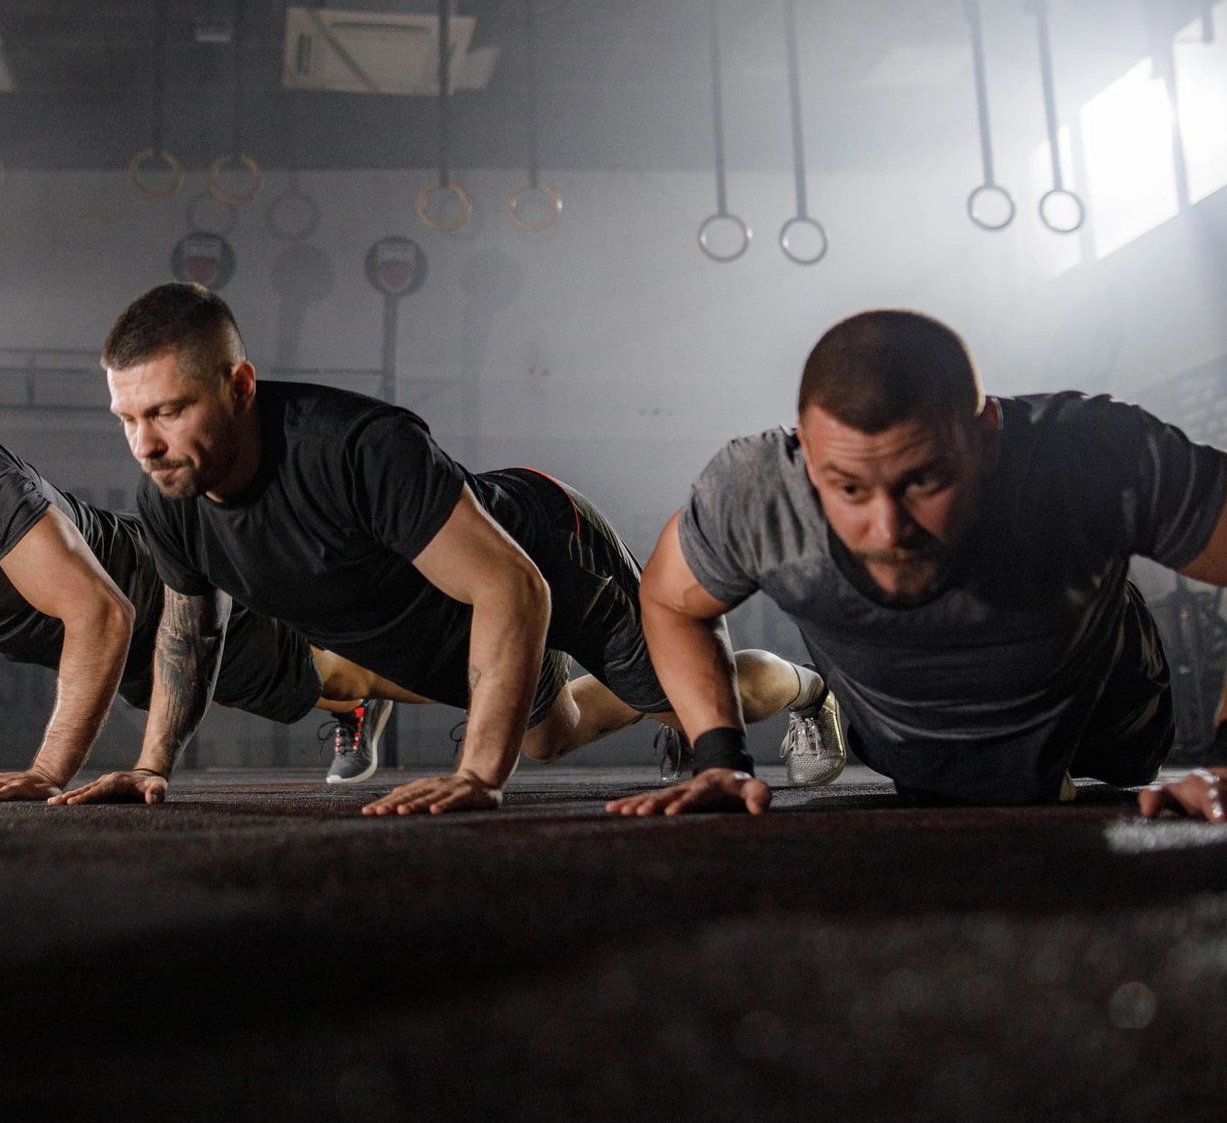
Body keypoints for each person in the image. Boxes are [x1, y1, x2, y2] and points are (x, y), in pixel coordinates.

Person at [55, 283, 835, 817]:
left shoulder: (358, 448)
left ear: (240, 385)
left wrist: (476, 776)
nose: (145, 445)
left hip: (543, 550)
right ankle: (477, 708)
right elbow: (191, 633)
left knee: (685, 703)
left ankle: (811, 690)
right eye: (127, 418)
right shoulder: (175, 500)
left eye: (167, 411)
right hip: (466, 610)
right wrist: (152, 766)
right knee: (548, 736)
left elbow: (516, 590)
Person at [609, 308, 1227, 825]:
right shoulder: (756, 494)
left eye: (923, 480)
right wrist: (720, 756)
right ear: (805, 451)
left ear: (987, 436)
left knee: (1124, 768)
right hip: (913, 737)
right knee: (947, 799)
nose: (888, 526)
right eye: (850, 489)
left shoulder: (1091, 456)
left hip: (1102, 700)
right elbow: (673, 601)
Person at [0, 356, 422, 800]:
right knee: (292, 690)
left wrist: (47, 772)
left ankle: (516, 677)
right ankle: (384, 687)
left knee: (331, 676)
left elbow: (102, 614)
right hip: (107, 642)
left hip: (158, 594)